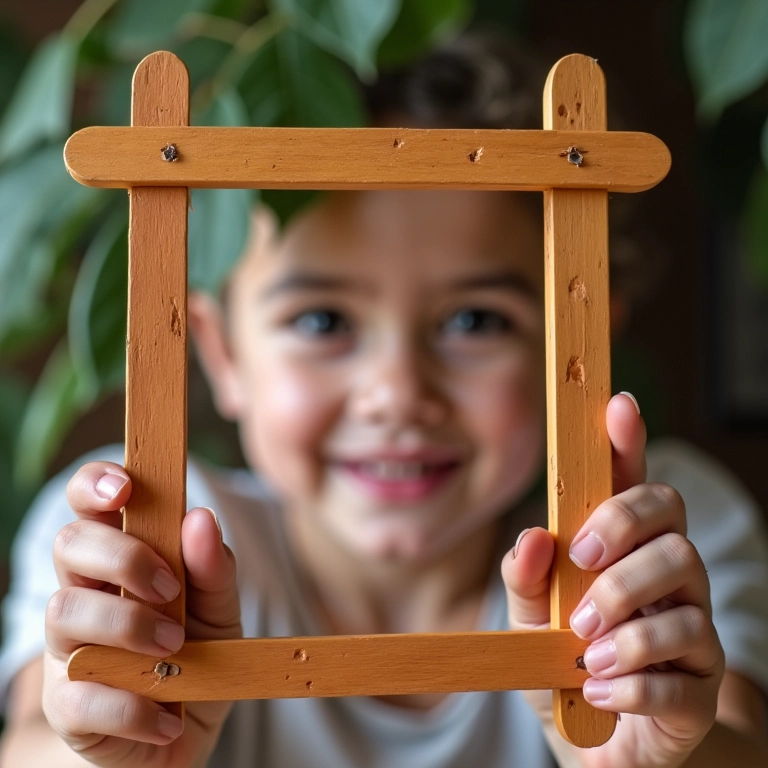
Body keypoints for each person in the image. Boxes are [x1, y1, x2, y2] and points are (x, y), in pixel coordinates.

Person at [1, 33, 768, 768]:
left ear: (577, 346)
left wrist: (663, 762)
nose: (399, 395)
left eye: (475, 321)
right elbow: (35, 740)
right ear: (220, 352)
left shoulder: (643, 539)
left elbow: (737, 736)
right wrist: (103, 759)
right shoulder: (142, 526)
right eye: (322, 321)